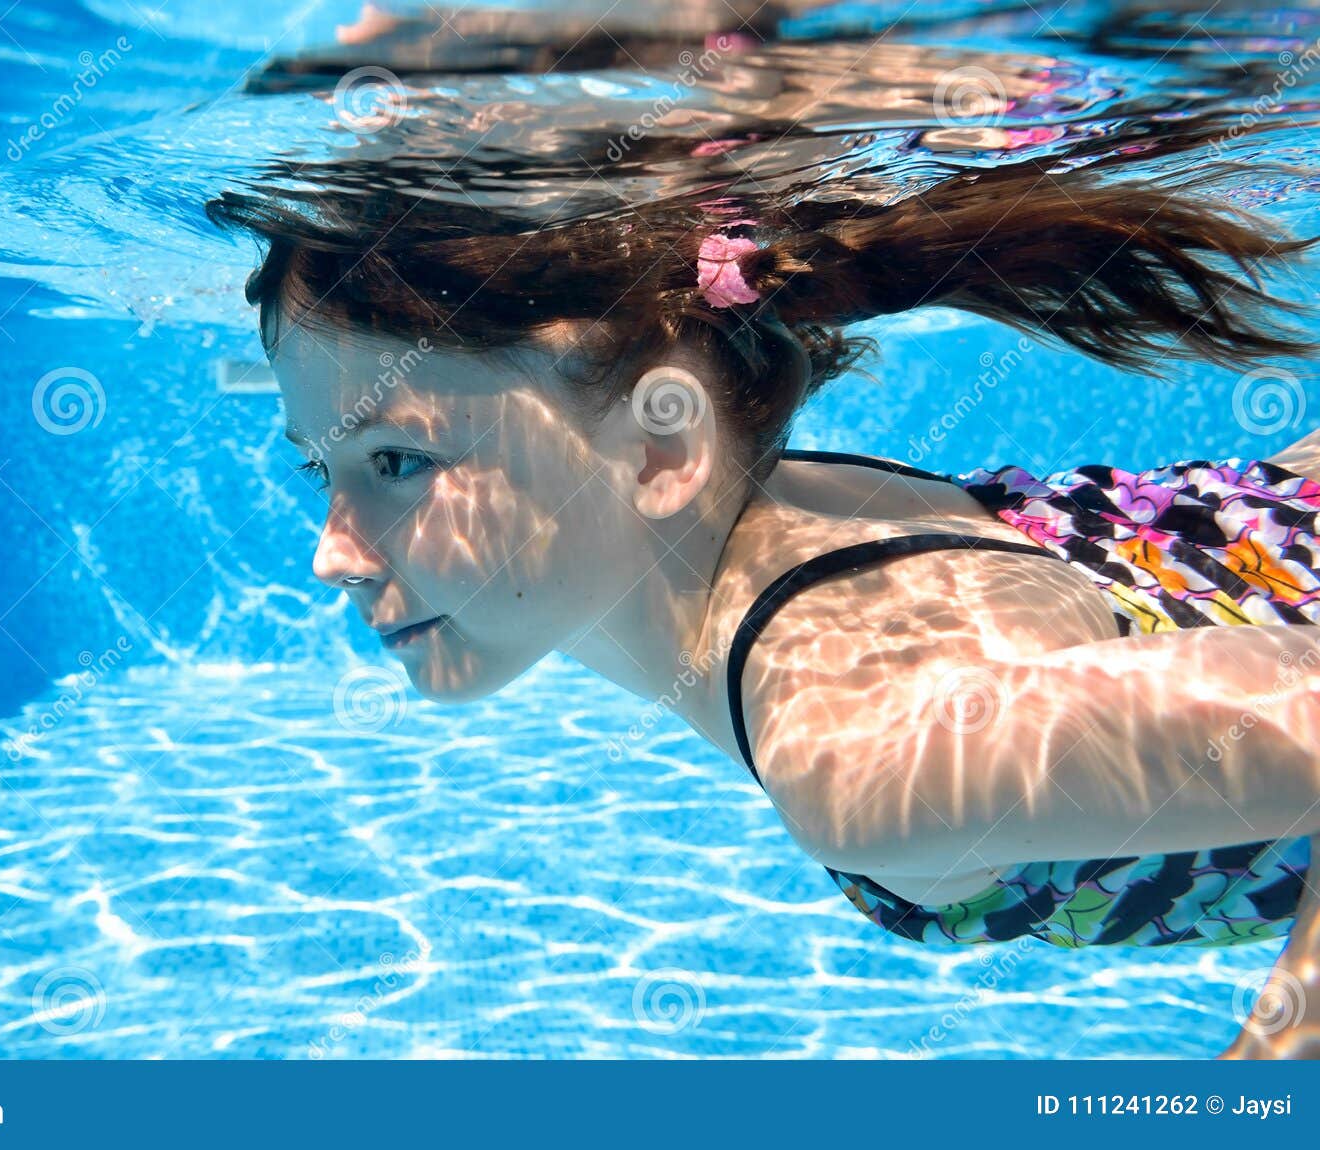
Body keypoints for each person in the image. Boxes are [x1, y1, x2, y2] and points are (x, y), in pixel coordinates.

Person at [207, 128, 1320, 1056]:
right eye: (324, 471)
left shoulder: (865, 749)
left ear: (659, 456)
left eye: (395, 463)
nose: (334, 554)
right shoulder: (703, 538)